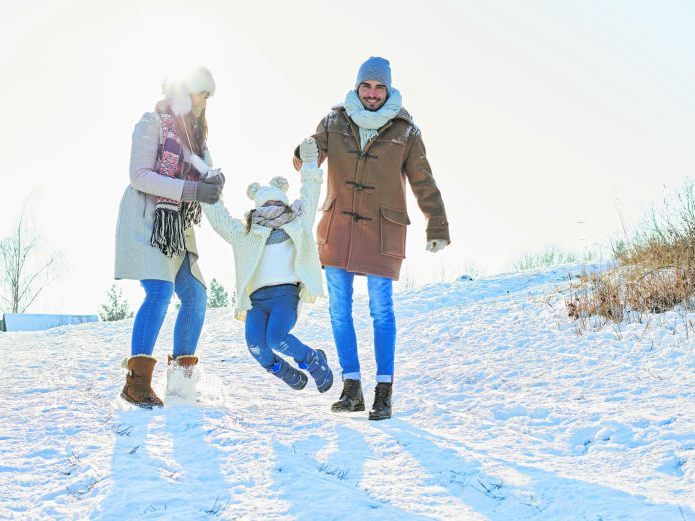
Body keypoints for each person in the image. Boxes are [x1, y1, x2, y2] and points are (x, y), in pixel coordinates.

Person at [293, 57, 450, 420]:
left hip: (383, 229)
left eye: (380, 87)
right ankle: (351, 389)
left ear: (389, 89)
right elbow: (310, 154)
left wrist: (437, 224)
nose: (373, 93)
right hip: (338, 227)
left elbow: (423, 180)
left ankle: (383, 391)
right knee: (339, 310)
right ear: (358, 86)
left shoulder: (405, 131)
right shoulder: (334, 121)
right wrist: (302, 153)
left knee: (381, 310)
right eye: (367, 86)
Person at [114, 66, 225, 408]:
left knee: (195, 295)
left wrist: (214, 183)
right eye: (199, 92)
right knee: (159, 291)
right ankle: (137, 384)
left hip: (179, 225)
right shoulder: (151, 123)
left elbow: (205, 178)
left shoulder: (196, 138)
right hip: (149, 220)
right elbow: (139, 175)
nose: (203, 101)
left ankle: (180, 385)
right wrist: (192, 188)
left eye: (207, 95)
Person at [203, 138, 333, 393]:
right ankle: (283, 371)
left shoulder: (296, 223)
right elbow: (219, 218)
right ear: (257, 208)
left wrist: (310, 164)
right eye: (266, 205)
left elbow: (310, 191)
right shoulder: (246, 233)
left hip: (285, 295)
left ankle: (313, 359)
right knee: (255, 345)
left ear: (284, 203)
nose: (272, 208)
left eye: (277, 203)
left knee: (276, 337)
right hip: (256, 301)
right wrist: (207, 189)